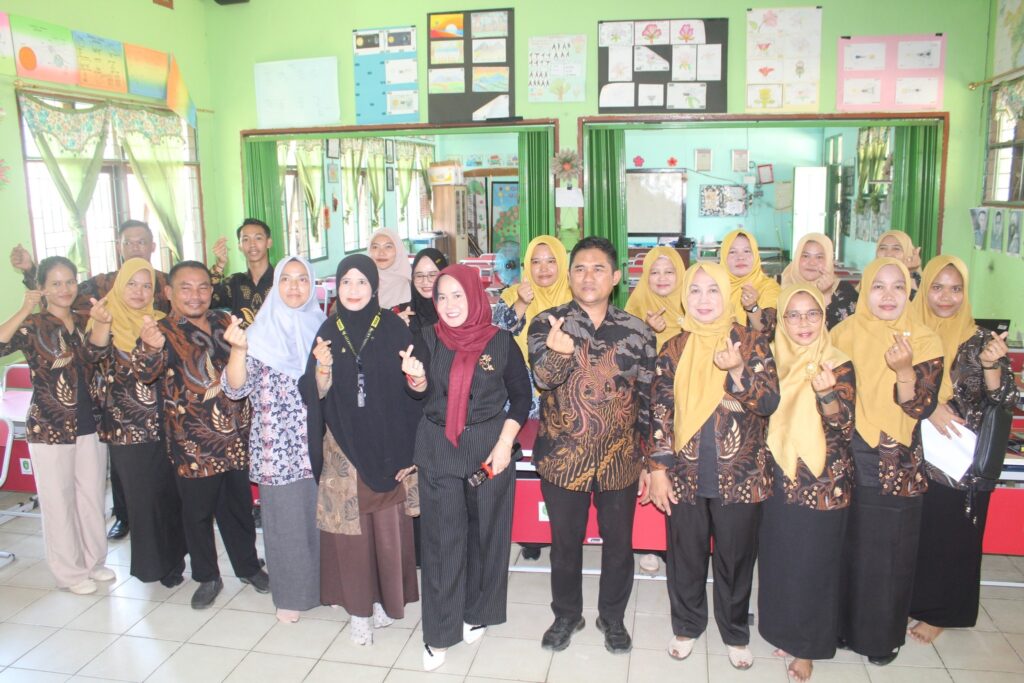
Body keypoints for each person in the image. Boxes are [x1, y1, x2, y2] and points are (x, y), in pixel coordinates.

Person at [646, 262, 780, 671]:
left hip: (740, 474)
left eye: (713, 290)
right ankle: (687, 625)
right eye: (695, 291)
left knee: (736, 559)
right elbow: (660, 411)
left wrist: (737, 369)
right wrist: (658, 469)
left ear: (727, 295)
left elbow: (768, 402)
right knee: (685, 555)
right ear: (685, 297)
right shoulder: (674, 348)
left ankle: (735, 631)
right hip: (684, 473)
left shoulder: (751, 342)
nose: (704, 300)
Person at [527, 236, 656, 654]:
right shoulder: (548, 323)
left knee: (619, 546)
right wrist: (559, 353)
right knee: (565, 545)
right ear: (569, 275)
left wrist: (651, 462)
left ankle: (612, 617)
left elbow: (649, 401)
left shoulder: (638, 331)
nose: (588, 276)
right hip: (564, 459)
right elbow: (543, 379)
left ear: (615, 277)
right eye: (580, 268)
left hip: (621, 460)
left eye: (599, 268)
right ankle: (567, 615)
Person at [11, 219, 171, 541]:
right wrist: (30, 276)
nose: (134, 247)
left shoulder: (161, 286)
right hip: (91, 415)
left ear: (152, 245)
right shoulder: (98, 292)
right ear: (119, 247)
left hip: (112, 415)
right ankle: (119, 522)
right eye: (128, 242)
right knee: (97, 486)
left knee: (101, 495)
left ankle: (101, 555)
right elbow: (61, 296)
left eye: (141, 241)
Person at [406, 264, 531, 671]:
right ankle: (439, 632)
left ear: (475, 296)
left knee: (487, 534)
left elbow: (521, 396)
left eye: (457, 295)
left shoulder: (501, 341)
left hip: (489, 448)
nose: (449, 304)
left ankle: (479, 610)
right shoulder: (427, 337)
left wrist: (505, 443)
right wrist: (415, 381)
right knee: (442, 541)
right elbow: (420, 391)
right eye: (441, 296)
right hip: (439, 446)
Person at [132, 261, 270, 609]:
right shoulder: (160, 332)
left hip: (235, 439)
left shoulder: (225, 322)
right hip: (193, 445)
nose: (196, 295)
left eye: (203, 287)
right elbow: (145, 373)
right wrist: (149, 348)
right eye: (186, 287)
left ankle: (248, 567)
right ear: (169, 293)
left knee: (238, 509)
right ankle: (207, 576)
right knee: (197, 515)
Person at [301, 254, 420, 646]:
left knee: (386, 533)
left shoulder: (393, 327)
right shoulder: (327, 329)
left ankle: (384, 601)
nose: (353, 290)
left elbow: (418, 388)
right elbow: (313, 393)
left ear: (374, 287)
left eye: (362, 282)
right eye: (346, 283)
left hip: (389, 446)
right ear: (337, 287)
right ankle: (358, 612)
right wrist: (322, 370)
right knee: (351, 538)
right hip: (343, 449)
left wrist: (417, 382)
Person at [831, 257, 944, 665]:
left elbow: (920, 407)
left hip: (898, 456)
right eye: (878, 285)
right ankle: (843, 629)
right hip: (849, 452)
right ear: (865, 290)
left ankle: (881, 639)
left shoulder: (925, 339)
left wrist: (904, 370)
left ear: (910, 290)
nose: (888, 295)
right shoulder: (843, 333)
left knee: (890, 553)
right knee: (848, 545)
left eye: (898, 286)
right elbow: (830, 400)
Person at [907, 256, 1019, 644]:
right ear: (924, 289)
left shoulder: (982, 341)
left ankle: (942, 613)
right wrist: (929, 407)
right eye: (937, 287)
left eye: (956, 289)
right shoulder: (908, 332)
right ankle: (911, 602)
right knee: (917, 534)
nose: (946, 297)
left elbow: (1005, 399)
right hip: (913, 453)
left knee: (951, 536)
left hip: (958, 458)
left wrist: (991, 366)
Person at [757, 284, 856, 682]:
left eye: (812, 313)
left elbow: (845, 425)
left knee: (815, 564)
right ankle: (784, 631)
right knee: (781, 559)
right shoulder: (770, 360)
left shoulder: (837, 362)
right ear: (782, 320)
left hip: (822, 480)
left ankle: (808, 647)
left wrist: (827, 393)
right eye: (793, 314)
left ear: (823, 317)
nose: (803, 323)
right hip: (778, 476)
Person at [0, 256, 113, 595]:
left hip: (90, 422)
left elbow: (97, 357)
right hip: (50, 426)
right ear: (42, 288)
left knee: (91, 497)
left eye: (69, 282)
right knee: (58, 502)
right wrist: (24, 308)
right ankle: (70, 573)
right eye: (56, 283)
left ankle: (94, 562)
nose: (65, 289)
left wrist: (102, 324)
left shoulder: (82, 320)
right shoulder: (33, 324)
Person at [222, 257, 326, 623]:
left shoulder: (324, 327)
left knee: (320, 521)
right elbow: (236, 389)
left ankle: (324, 588)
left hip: (318, 443)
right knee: (284, 524)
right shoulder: (257, 333)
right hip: (275, 446)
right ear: (275, 286)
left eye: (302, 279)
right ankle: (290, 596)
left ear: (312, 286)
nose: (294, 286)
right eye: (286, 279)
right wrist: (238, 351)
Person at [84, 258, 187, 588]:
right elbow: (93, 356)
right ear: (119, 285)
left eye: (146, 286)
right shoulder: (105, 320)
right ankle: (153, 566)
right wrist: (101, 325)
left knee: (170, 496)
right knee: (143, 502)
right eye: (132, 284)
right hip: (127, 429)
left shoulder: (159, 321)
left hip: (168, 425)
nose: (139, 292)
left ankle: (175, 561)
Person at [781, 233, 858, 328]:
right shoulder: (781, 287)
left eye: (819, 257)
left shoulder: (845, 291)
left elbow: (847, 331)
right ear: (797, 258)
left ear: (828, 261)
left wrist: (826, 295)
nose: (812, 263)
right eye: (805, 256)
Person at [211, 218, 276, 327]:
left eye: (258, 238)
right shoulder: (234, 282)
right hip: (242, 338)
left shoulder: (282, 280)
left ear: (269, 242)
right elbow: (209, 300)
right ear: (240, 246)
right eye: (245, 239)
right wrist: (220, 265)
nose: (252, 244)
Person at [625, 246, 687, 352]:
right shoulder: (638, 303)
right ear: (646, 276)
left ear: (680, 273)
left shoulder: (693, 301)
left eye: (669, 272)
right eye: (654, 272)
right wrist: (646, 328)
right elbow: (624, 342)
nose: (662, 278)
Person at [719, 229, 780, 333]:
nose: (740, 257)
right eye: (732, 252)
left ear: (756, 255)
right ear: (723, 257)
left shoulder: (770, 288)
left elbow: (770, 332)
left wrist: (752, 307)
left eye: (747, 251)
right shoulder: (714, 288)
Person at [404, 247, 449, 337]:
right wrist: (395, 328)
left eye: (432, 274)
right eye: (419, 275)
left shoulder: (457, 311)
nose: (425, 282)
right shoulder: (403, 314)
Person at [368, 228, 412, 311]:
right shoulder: (362, 283)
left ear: (398, 250)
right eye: (375, 247)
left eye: (388, 247)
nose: (381, 253)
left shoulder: (413, 286)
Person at [875, 230, 923, 295]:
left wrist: (908, 273)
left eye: (896, 249)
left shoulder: (920, 281)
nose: (888, 254)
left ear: (908, 252)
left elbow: (915, 300)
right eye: (882, 248)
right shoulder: (868, 278)